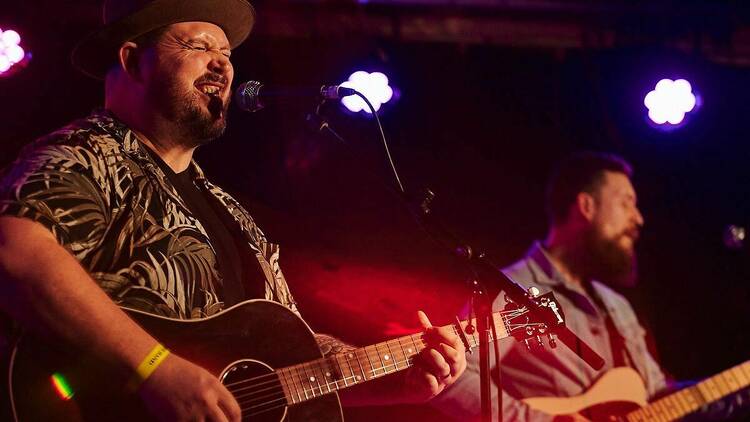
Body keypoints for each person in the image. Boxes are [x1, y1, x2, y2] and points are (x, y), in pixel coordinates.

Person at [0, 1, 466, 420]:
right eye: (199, 45)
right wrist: (154, 369)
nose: (222, 62)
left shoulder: (232, 215)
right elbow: (15, 250)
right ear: (132, 60)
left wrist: (395, 381)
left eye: (227, 52)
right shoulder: (86, 154)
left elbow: (283, 370)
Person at [432, 152, 667, 421]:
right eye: (627, 203)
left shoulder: (618, 306)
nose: (639, 218)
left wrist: (723, 394)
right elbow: (452, 378)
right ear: (586, 207)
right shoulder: (514, 289)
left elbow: (658, 393)